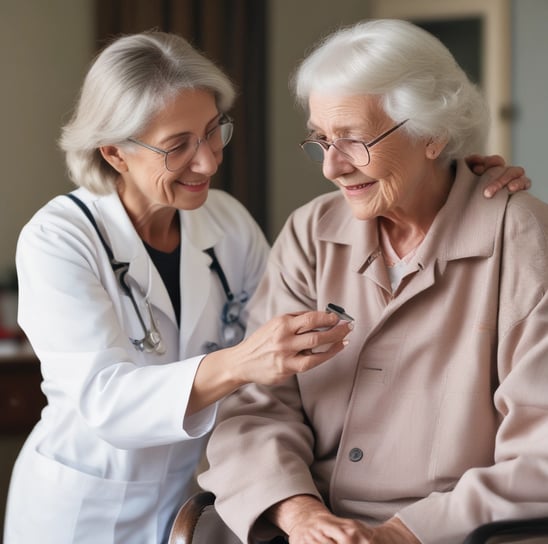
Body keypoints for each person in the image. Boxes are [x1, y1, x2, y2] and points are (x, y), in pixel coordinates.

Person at [199, 19, 548, 544]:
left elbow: (541, 449)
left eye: (353, 141)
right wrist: (302, 517)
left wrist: (401, 534)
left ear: (431, 134)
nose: (332, 168)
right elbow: (256, 407)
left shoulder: (522, 237)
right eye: (320, 141)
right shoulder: (311, 233)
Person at [3, 31, 356, 544]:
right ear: (115, 153)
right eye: (178, 147)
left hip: (194, 504)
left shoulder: (228, 222)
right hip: (86, 512)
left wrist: (453, 180)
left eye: (214, 132)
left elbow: (277, 353)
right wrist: (243, 361)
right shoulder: (58, 239)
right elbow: (106, 402)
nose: (209, 162)